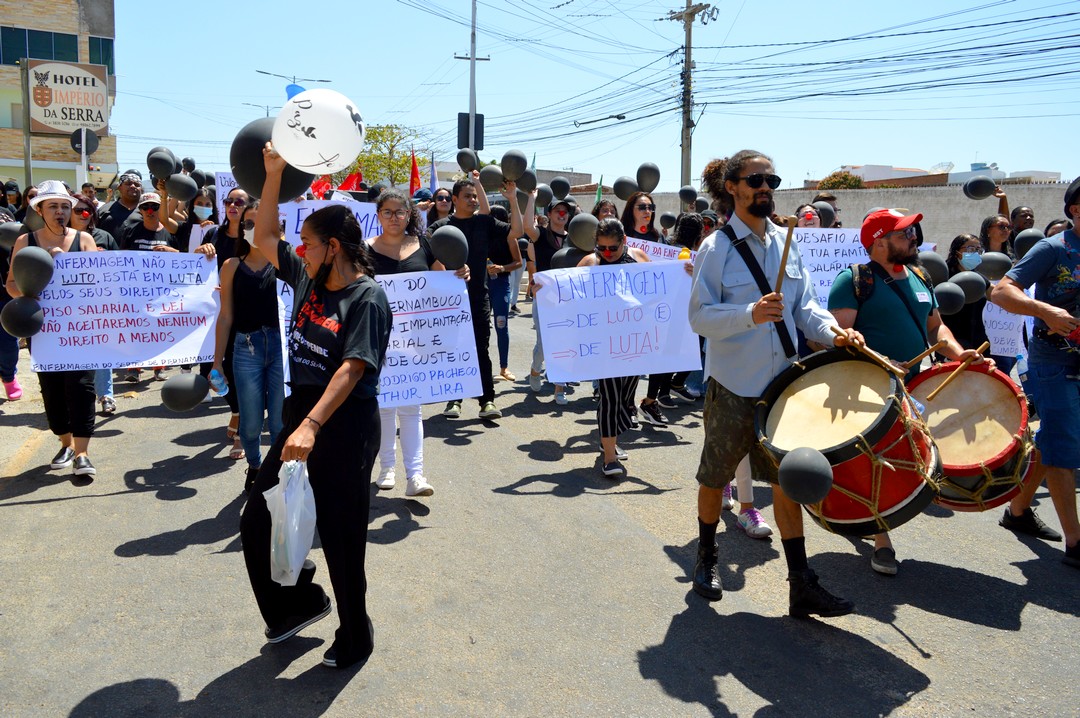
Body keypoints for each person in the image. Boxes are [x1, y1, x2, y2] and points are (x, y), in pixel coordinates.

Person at [689, 150, 862, 616]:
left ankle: (801, 583)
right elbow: (699, 316)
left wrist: (833, 333)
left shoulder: (788, 242)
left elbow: (806, 307)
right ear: (733, 187)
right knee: (716, 475)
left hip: (784, 384)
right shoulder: (716, 248)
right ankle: (706, 558)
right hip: (732, 385)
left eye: (771, 179)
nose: (766, 186)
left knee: (787, 481)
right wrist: (749, 313)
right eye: (756, 179)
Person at [241, 143, 392, 670]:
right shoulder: (307, 277)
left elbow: (352, 368)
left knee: (343, 536)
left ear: (332, 247)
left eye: (306, 243)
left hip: (344, 424)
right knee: (256, 519)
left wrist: (310, 426)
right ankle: (297, 605)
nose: (297, 250)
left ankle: (356, 633)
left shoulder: (366, 297)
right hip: (301, 415)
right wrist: (273, 175)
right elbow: (262, 236)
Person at [829, 209, 990, 575]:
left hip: (915, 383)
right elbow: (837, 340)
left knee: (904, 458)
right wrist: (881, 360)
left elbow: (937, 329)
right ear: (880, 241)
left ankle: (867, 517)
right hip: (873, 386)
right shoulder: (853, 280)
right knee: (883, 460)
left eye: (913, 232)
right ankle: (882, 538)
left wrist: (956, 350)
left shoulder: (920, 276)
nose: (913, 238)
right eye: (904, 235)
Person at [990, 177, 1080, 568]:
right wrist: (1044, 310)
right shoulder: (1052, 249)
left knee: (1055, 441)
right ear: (1075, 209)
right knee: (1064, 452)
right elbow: (1001, 291)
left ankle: (1018, 511)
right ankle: (1077, 545)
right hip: (1053, 361)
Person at [368, 188, 467, 497]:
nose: (394, 217)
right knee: (384, 407)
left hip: (416, 339)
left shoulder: (424, 246)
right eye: (388, 212)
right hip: (378, 339)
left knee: (411, 408)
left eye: (400, 212)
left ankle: (416, 476)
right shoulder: (365, 249)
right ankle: (387, 469)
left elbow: (444, 282)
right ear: (378, 215)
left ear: (410, 214)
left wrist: (460, 274)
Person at [4, 180, 99, 478]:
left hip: (79, 332)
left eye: (64, 206)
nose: (59, 212)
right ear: (40, 210)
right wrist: (32, 286)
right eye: (53, 206)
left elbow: (99, 286)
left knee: (82, 388)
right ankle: (66, 443)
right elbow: (10, 285)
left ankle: (83, 453)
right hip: (44, 333)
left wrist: (66, 264)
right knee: (53, 390)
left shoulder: (83, 241)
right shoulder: (26, 242)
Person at [428, 176, 523, 420]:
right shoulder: (441, 228)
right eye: (467, 196)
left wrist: (512, 199)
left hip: (480, 296)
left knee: (480, 348)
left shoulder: (485, 222)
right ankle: (454, 400)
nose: (472, 200)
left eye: (474, 196)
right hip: (449, 300)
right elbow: (425, 256)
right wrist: (447, 272)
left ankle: (487, 401)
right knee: (454, 348)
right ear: (455, 200)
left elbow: (517, 231)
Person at [212, 202, 284, 493]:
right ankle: (255, 465)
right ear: (242, 229)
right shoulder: (231, 266)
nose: (255, 230)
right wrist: (217, 362)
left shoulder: (287, 264)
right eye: (249, 224)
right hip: (246, 350)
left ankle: (276, 473)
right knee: (251, 423)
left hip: (281, 351)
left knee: (280, 423)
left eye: (262, 223)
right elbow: (226, 315)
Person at [575, 218, 651, 476]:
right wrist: (543, 287)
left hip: (634, 342)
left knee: (625, 400)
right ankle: (609, 458)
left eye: (612, 248)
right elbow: (566, 291)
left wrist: (684, 275)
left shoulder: (639, 258)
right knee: (609, 398)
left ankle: (609, 439)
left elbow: (659, 289)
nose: (606, 254)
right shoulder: (591, 263)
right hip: (604, 343)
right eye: (601, 248)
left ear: (624, 242)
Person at [68, 192, 119, 415]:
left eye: (87, 209)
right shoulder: (59, 239)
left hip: (99, 306)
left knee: (102, 351)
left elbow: (121, 267)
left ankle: (106, 395)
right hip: (68, 309)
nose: (83, 214)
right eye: (78, 210)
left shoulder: (104, 237)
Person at [524, 197, 573, 404]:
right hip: (544, 296)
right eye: (557, 211)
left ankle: (559, 386)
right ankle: (536, 369)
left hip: (568, 298)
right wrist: (531, 197)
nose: (562, 215)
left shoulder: (575, 238)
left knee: (564, 342)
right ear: (550, 214)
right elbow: (527, 225)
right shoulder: (541, 235)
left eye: (565, 212)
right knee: (544, 344)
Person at [485, 204, 524, 382]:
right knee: (481, 327)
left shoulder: (509, 236)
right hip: (482, 285)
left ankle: (504, 367)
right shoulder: (480, 235)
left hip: (500, 283)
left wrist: (501, 268)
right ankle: (481, 367)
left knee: (501, 325)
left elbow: (517, 262)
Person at [939, 234, 989, 352]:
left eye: (978, 250)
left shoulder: (978, 278)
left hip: (978, 341)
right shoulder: (944, 275)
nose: (975, 253)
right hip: (952, 342)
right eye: (971, 249)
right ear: (957, 252)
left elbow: (996, 293)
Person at [96, 171, 142, 243]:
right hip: (108, 253)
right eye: (128, 183)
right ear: (119, 187)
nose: (133, 186)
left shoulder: (148, 210)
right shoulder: (104, 210)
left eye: (137, 184)